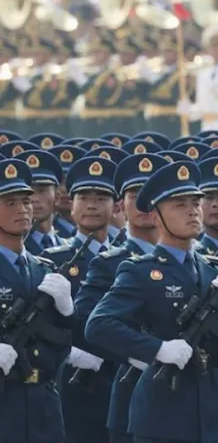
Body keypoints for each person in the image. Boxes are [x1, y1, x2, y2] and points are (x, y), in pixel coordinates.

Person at [85, 160, 218, 443]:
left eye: (195, 203)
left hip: (215, 412)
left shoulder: (214, 269)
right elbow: (98, 325)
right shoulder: (139, 270)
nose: (192, 211)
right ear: (155, 216)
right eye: (179, 205)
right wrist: (157, 349)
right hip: (163, 412)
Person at [75, 153, 169, 443]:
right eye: (135, 195)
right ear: (121, 205)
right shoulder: (109, 262)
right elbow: (84, 323)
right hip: (128, 387)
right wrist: (137, 352)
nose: (144, 203)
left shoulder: (192, 263)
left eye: (152, 195)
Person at [44, 156, 119, 443]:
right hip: (75, 379)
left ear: (115, 206)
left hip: (125, 374)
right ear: (70, 205)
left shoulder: (130, 259)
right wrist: (70, 351)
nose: (92, 205)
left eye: (101, 198)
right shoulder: (53, 261)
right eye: (84, 198)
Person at [0, 158, 76, 443]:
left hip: (43, 404)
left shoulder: (44, 269)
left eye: (26, 201)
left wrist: (68, 311)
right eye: (10, 203)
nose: (22, 209)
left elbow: (65, 339)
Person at [20, 149, 69, 255]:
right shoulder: (14, 249)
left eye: (41, 191)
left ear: (57, 197)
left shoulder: (69, 248)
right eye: (28, 192)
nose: (34, 199)